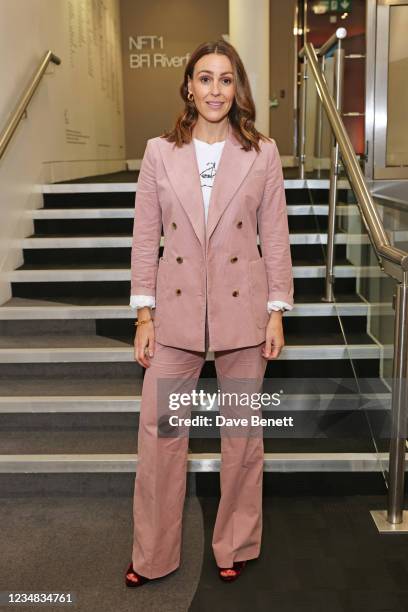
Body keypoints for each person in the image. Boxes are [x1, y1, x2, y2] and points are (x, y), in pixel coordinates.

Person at [125, 39, 294, 587]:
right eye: (205, 78)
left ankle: (236, 542)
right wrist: (143, 315)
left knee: (241, 435)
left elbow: (275, 235)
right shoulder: (159, 152)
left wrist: (276, 310)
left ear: (236, 88)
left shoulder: (261, 152)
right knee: (162, 437)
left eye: (225, 79)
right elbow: (146, 235)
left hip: (243, 314)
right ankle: (152, 554)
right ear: (189, 87)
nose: (215, 89)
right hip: (173, 319)